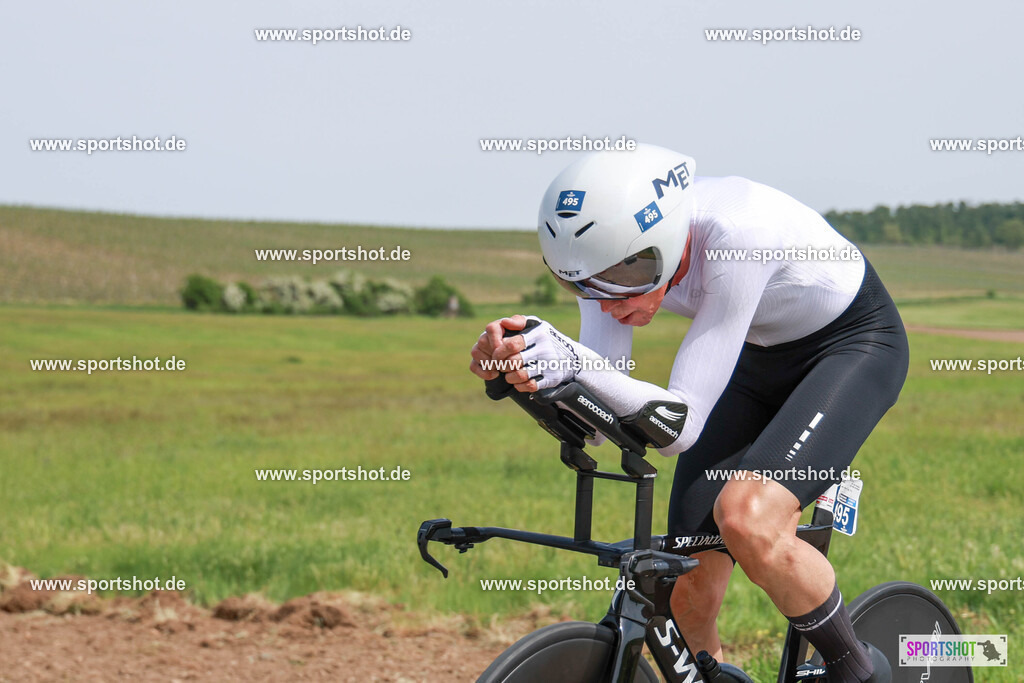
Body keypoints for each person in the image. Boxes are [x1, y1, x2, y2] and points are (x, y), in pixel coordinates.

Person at [469, 143, 907, 683]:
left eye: (627, 276)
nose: (606, 300)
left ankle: (856, 671)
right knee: (688, 576)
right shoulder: (606, 258)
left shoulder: (738, 232)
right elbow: (600, 418)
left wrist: (575, 361)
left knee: (747, 519)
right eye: (579, 285)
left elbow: (680, 427)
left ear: (670, 239)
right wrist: (524, 376)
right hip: (756, 355)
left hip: (851, 347)